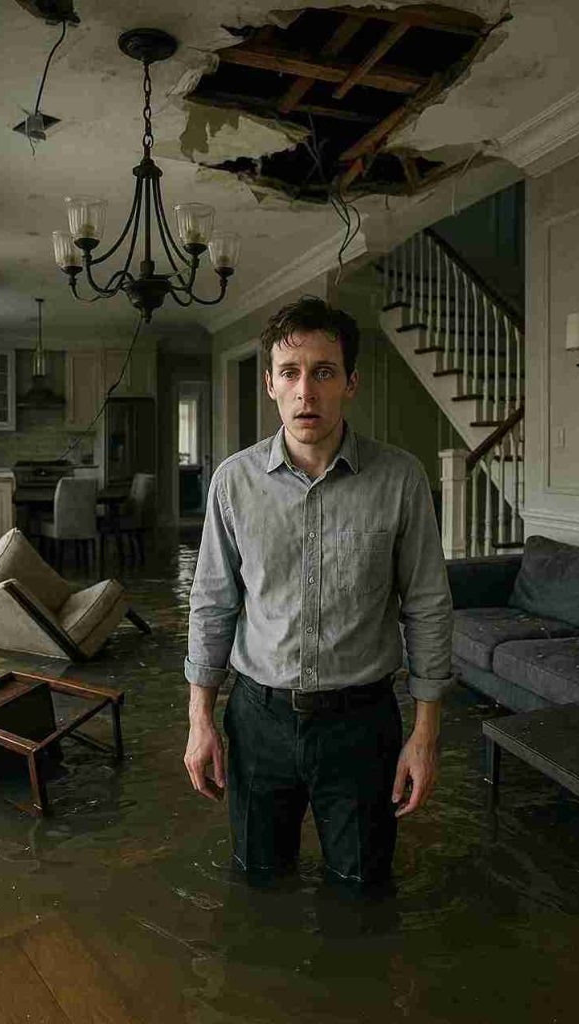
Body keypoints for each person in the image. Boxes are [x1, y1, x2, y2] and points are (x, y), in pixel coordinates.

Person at [183, 296, 452, 885]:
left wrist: (426, 735)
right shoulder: (233, 482)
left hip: (362, 725)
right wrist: (200, 720)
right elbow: (212, 605)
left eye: (323, 372)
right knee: (257, 883)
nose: (306, 391)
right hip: (258, 722)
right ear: (271, 385)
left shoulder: (400, 479)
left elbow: (428, 607)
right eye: (290, 373)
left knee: (363, 889)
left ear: (350, 382)